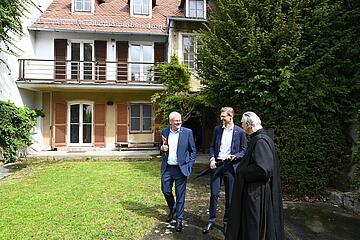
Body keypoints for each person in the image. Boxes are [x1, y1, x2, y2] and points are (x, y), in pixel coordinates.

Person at [225, 111, 284, 240]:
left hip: (256, 192)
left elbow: (263, 169)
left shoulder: (260, 141)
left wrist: (243, 171)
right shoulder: (259, 138)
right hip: (255, 190)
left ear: (248, 124)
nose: (240, 124)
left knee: (254, 224)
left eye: (242, 122)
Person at [202, 107, 247, 234]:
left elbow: (244, 150)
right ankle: (211, 220)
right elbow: (212, 146)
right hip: (217, 165)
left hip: (230, 167)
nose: (221, 118)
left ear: (230, 117)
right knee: (214, 194)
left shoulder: (240, 131)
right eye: (221, 116)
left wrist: (236, 156)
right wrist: (211, 159)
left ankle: (227, 222)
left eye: (223, 116)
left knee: (230, 197)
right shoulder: (217, 129)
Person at [160, 111, 196, 232]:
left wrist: (189, 166)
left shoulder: (188, 132)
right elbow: (162, 148)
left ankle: (179, 220)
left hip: (181, 169)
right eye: (176, 121)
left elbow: (193, 151)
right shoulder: (165, 132)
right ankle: (173, 208)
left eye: (180, 120)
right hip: (168, 168)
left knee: (180, 195)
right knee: (165, 190)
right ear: (171, 121)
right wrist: (162, 148)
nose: (179, 122)